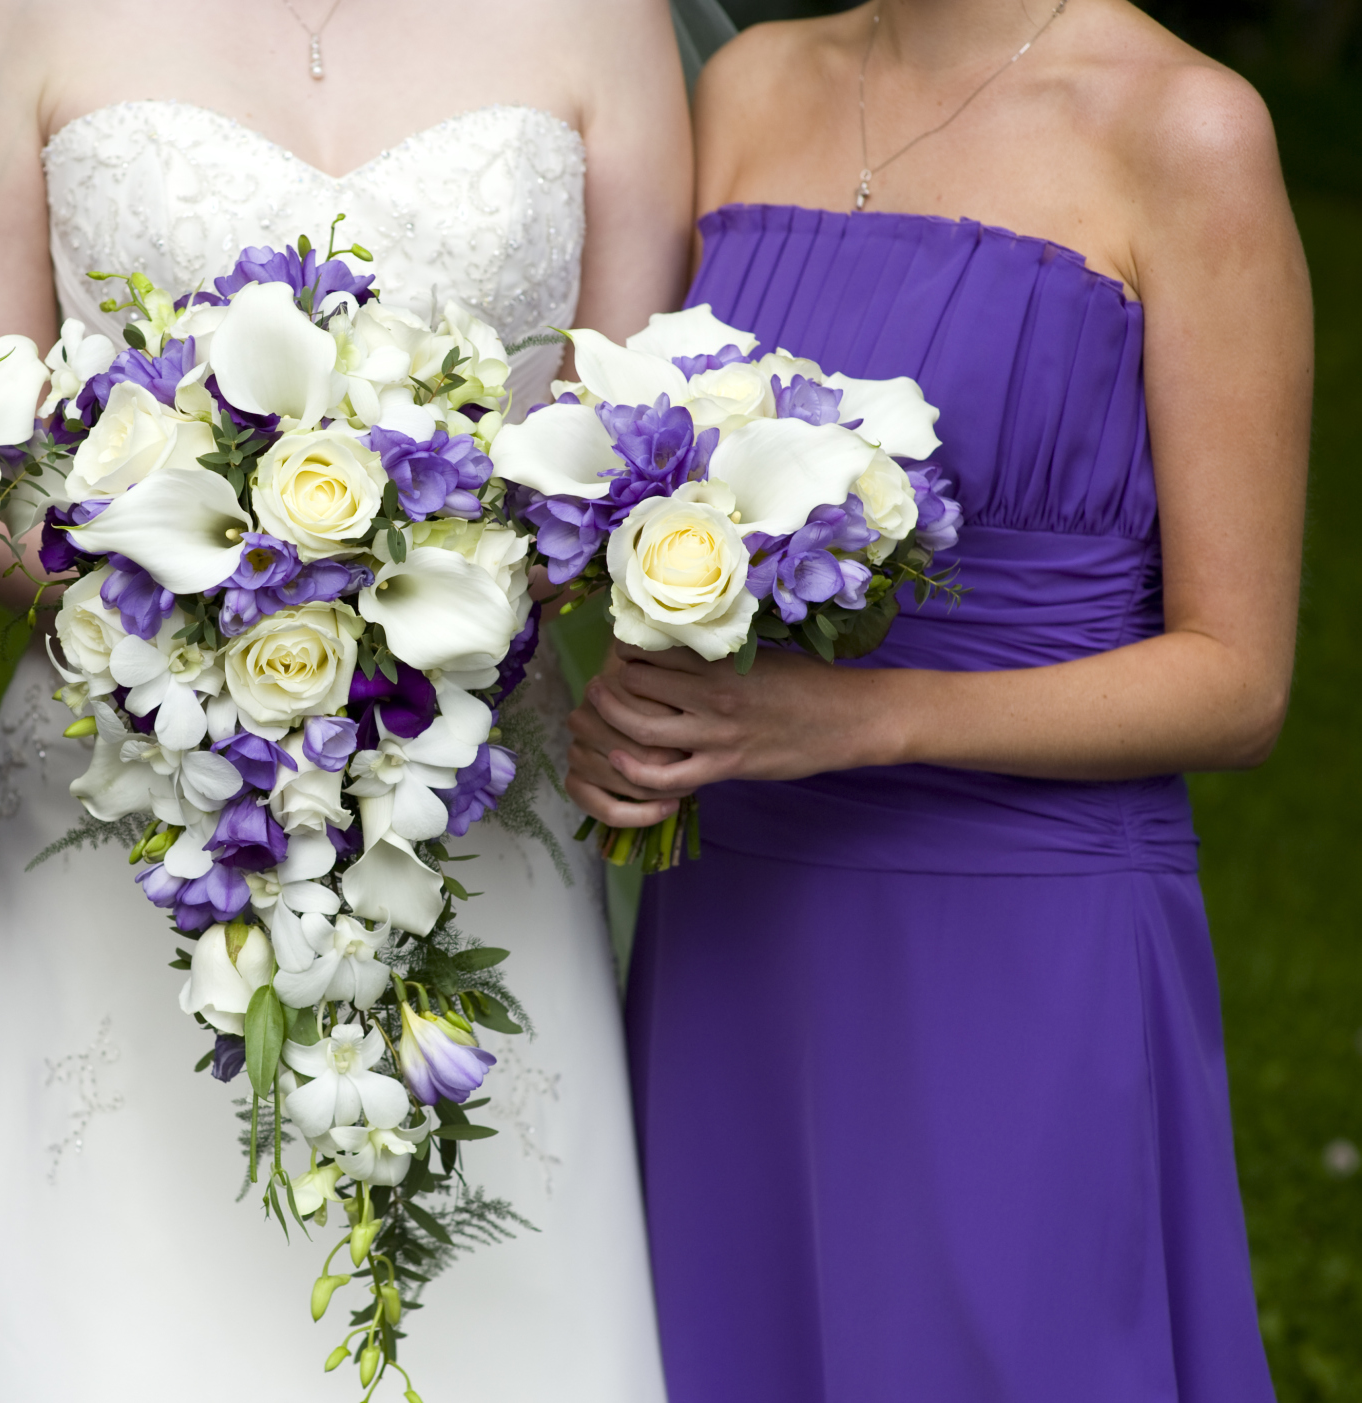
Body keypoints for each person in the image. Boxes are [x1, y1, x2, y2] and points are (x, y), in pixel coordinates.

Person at [0, 1, 709, 1398]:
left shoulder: (603, 16)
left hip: (462, 790)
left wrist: (415, 610)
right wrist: (207, 615)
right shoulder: (15, 14)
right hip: (122, 789)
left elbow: (629, 444)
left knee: (475, 1316)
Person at [566, 1, 1309, 1399]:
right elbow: (631, 463)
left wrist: (851, 721)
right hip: (739, 913)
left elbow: (1239, 680)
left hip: (1021, 922)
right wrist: (637, 684)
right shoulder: (749, 82)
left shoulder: (1185, 126)